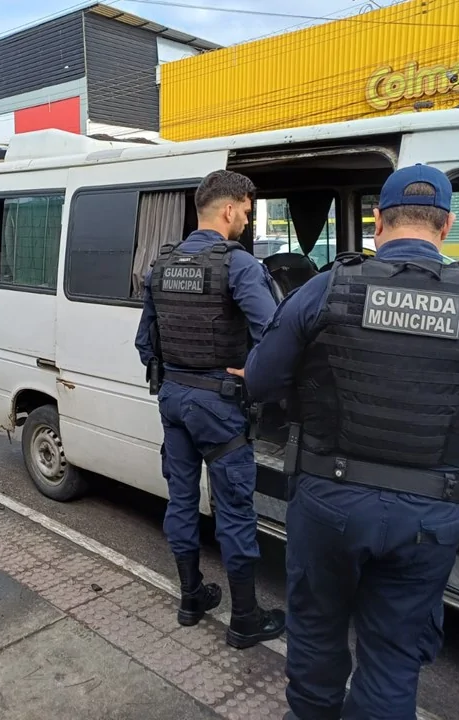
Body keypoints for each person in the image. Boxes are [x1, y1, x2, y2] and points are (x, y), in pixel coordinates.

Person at [232, 165, 459, 720]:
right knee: (394, 662)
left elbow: (261, 380)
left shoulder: (330, 285)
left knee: (317, 641)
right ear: (445, 227)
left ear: (378, 221)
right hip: (429, 512)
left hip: (328, 501)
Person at [135, 169, 286, 649]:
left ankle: (191, 599)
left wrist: (177, 375)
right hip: (219, 405)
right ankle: (244, 620)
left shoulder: (163, 264)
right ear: (228, 208)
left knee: (181, 499)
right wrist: (251, 378)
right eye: (245, 209)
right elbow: (275, 334)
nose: (246, 218)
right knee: (235, 511)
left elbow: (145, 343)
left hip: (174, 400)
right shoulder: (237, 265)